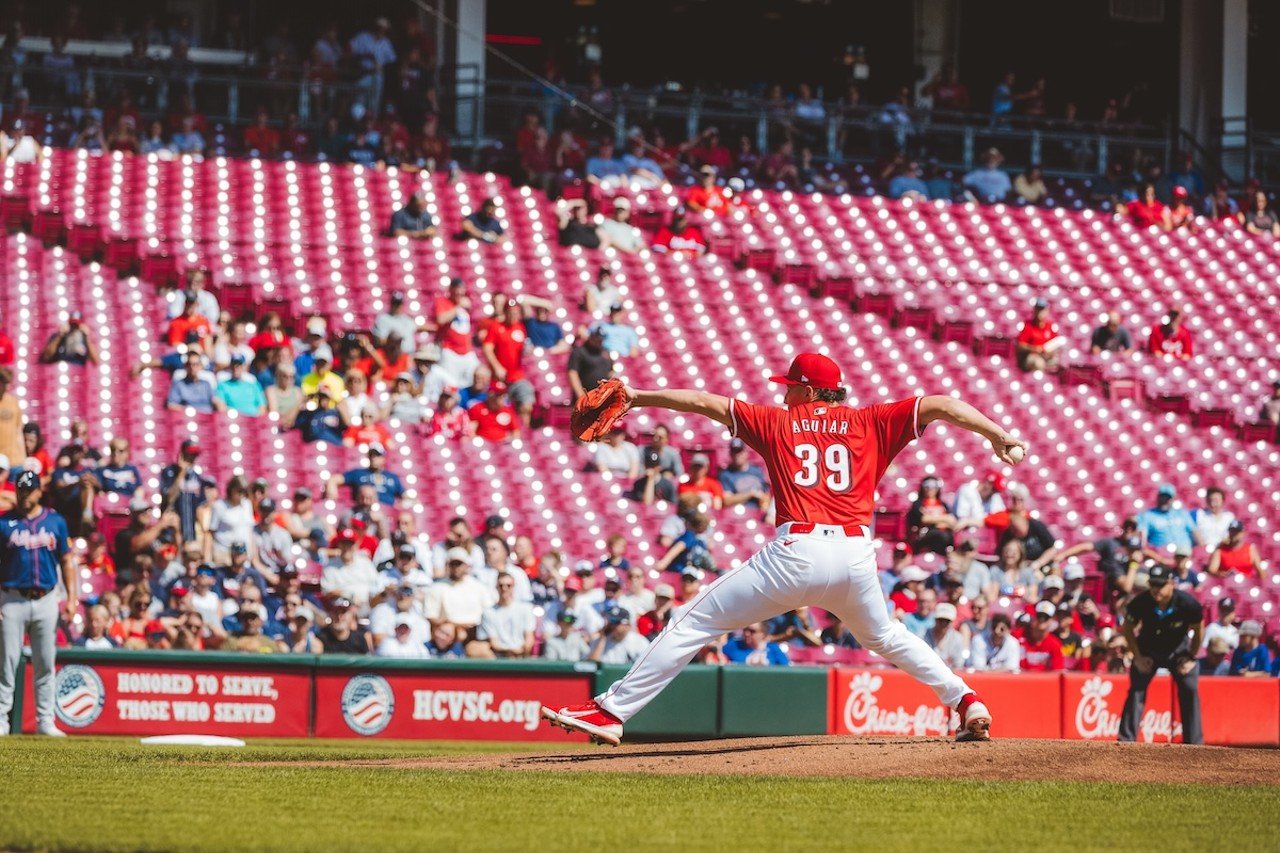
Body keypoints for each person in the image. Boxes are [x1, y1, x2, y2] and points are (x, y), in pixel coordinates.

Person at [543, 351, 1026, 744]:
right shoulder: (872, 421)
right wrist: (997, 434)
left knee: (694, 621)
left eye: (790, 386)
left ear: (810, 391)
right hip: (856, 557)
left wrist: (642, 396)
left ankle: (612, 711)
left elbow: (703, 402)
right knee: (887, 637)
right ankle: (967, 701)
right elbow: (939, 402)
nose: (784, 392)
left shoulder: (779, 423)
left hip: (798, 550)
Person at [0, 470, 77, 736]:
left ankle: (45, 721)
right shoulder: (5, 522)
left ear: (38, 491)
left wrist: (72, 598)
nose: (24, 494)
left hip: (45, 598)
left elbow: (67, 560)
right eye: (20, 490)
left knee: (45, 662)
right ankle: (1, 720)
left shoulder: (55, 521)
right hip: (11, 598)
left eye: (28, 490)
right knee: (6, 661)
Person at [1119, 564, 1204, 744]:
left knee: (1189, 687)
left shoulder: (1188, 604)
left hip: (1178, 651)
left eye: (1160, 585)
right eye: (1153, 585)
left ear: (1171, 583)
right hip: (1148, 650)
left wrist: (1191, 657)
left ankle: (1195, 745)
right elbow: (1127, 629)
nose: (1156, 589)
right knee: (1136, 689)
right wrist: (1138, 656)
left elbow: (1198, 630)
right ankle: (1125, 741)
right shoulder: (1140, 602)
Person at [1136, 484, 1198, 550]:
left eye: (1167, 498)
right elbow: (1142, 538)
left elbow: (1194, 532)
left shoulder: (1182, 513)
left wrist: (1202, 548)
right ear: (1158, 497)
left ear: (1173, 499)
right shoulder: (1147, 515)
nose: (1164, 501)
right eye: (1162, 497)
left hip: (1184, 552)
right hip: (1160, 554)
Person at [1015, 298, 1062, 372]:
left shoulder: (1050, 326)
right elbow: (1021, 345)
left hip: (1047, 356)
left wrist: (1050, 352)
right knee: (1038, 363)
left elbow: (1056, 343)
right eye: (1038, 309)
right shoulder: (1028, 325)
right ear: (1034, 311)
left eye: (1042, 309)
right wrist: (1035, 349)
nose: (1040, 312)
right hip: (1032, 356)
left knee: (1060, 364)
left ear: (1047, 311)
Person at [723, 622, 790, 666]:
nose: (747, 634)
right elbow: (719, 652)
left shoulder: (773, 648)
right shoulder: (734, 644)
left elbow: (786, 668)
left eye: (752, 631)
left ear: (763, 634)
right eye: (745, 630)